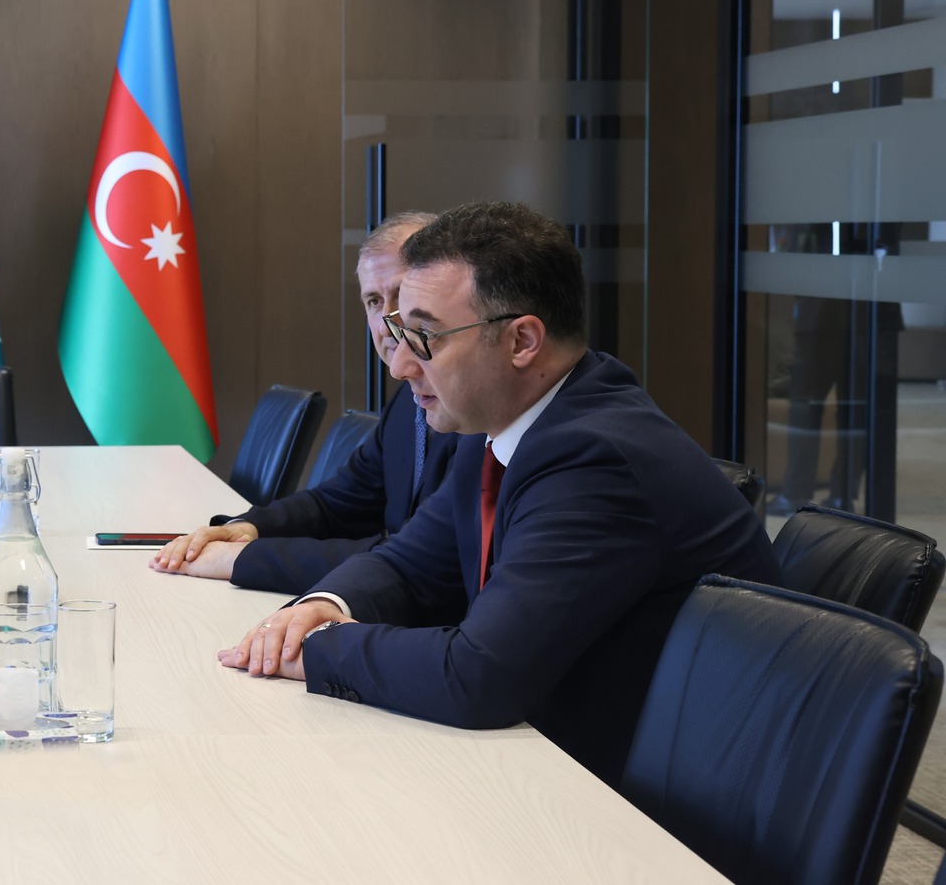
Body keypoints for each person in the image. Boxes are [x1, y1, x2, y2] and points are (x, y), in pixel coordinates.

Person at [218, 201, 777, 785]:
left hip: (648, 801)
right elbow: (411, 563)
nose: (400, 364)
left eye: (424, 336)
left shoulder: (594, 460)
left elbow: (478, 676)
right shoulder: (501, 423)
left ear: (522, 341)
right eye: (400, 331)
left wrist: (321, 647)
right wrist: (326, 606)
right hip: (552, 754)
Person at [149, 211, 459, 592]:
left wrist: (243, 559)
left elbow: (419, 560)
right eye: (374, 301)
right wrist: (248, 528)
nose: (385, 324)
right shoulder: (407, 401)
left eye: (402, 298)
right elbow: (337, 504)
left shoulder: (477, 413)